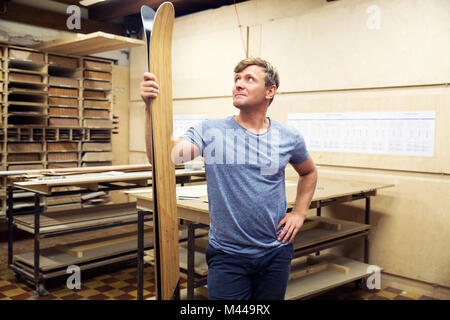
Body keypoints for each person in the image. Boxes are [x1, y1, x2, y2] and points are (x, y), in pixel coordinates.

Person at [140, 57, 317, 300]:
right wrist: (150, 110)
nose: (238, 85)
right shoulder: (210, 131)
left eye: (249, 79)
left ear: (270, 91)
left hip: (275, 254)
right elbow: (160, 157)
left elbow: (308, 172)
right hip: (228, 256)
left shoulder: (288, 136)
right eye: (236, 79)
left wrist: (299, 213)